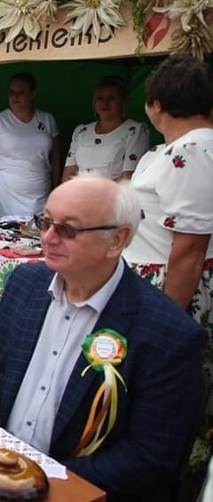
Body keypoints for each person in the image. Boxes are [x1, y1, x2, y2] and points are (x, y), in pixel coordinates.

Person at [0, 176, 206, 501]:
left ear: (116, 240)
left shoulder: (169, 334)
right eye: (46, 221)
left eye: (68, 229)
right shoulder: (26, 283)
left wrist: (40, 483)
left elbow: (148, 459)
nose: (48, 237)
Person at [123, 55, 213, 398]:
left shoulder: (192, 150)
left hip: (171, 283)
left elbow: (191, 247)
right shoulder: (177, 148)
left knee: (165, 386)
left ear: (155, 105)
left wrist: (167, 319)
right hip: (155, 274)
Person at [0, 72, 60, 219]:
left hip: (41, 193)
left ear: (32, 94)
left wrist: (57, 189)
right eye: (12, 92)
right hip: (7, 195)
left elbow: (56, 157)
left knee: (39, 232)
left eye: (20, 92)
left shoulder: (47, 120)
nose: (15, 97)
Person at [62, 77, 149, 182]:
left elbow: (129, 177)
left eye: (111, 98)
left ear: (123, 101)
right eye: (100, 98)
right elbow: (68, 173)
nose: (105, 103)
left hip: (115, 196)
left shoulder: (135, 131)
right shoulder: (81, 131)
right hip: (79, 196)